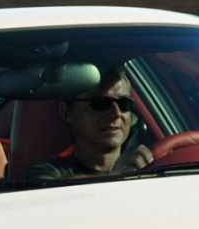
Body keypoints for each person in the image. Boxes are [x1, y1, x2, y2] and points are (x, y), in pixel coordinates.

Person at [23, 68, 153, 182]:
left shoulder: (152, 167)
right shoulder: (46, 172)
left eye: (124, 103)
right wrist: (117, 175)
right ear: (67, 112)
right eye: (100, 103)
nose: (117, 113)